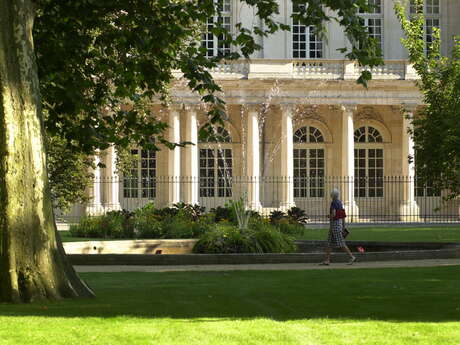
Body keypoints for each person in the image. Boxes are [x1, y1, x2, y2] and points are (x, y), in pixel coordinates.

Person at [320, 188, 357, 265]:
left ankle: (351, 257)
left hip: (335, 225)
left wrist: (328, 216)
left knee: (341, 243)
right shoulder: (340, 203)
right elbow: (343, 216)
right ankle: (327, 260)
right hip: (338, 224)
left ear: (332, 195)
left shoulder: (333, 203)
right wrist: (343, 226)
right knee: (329, 243)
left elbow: (333, 215)